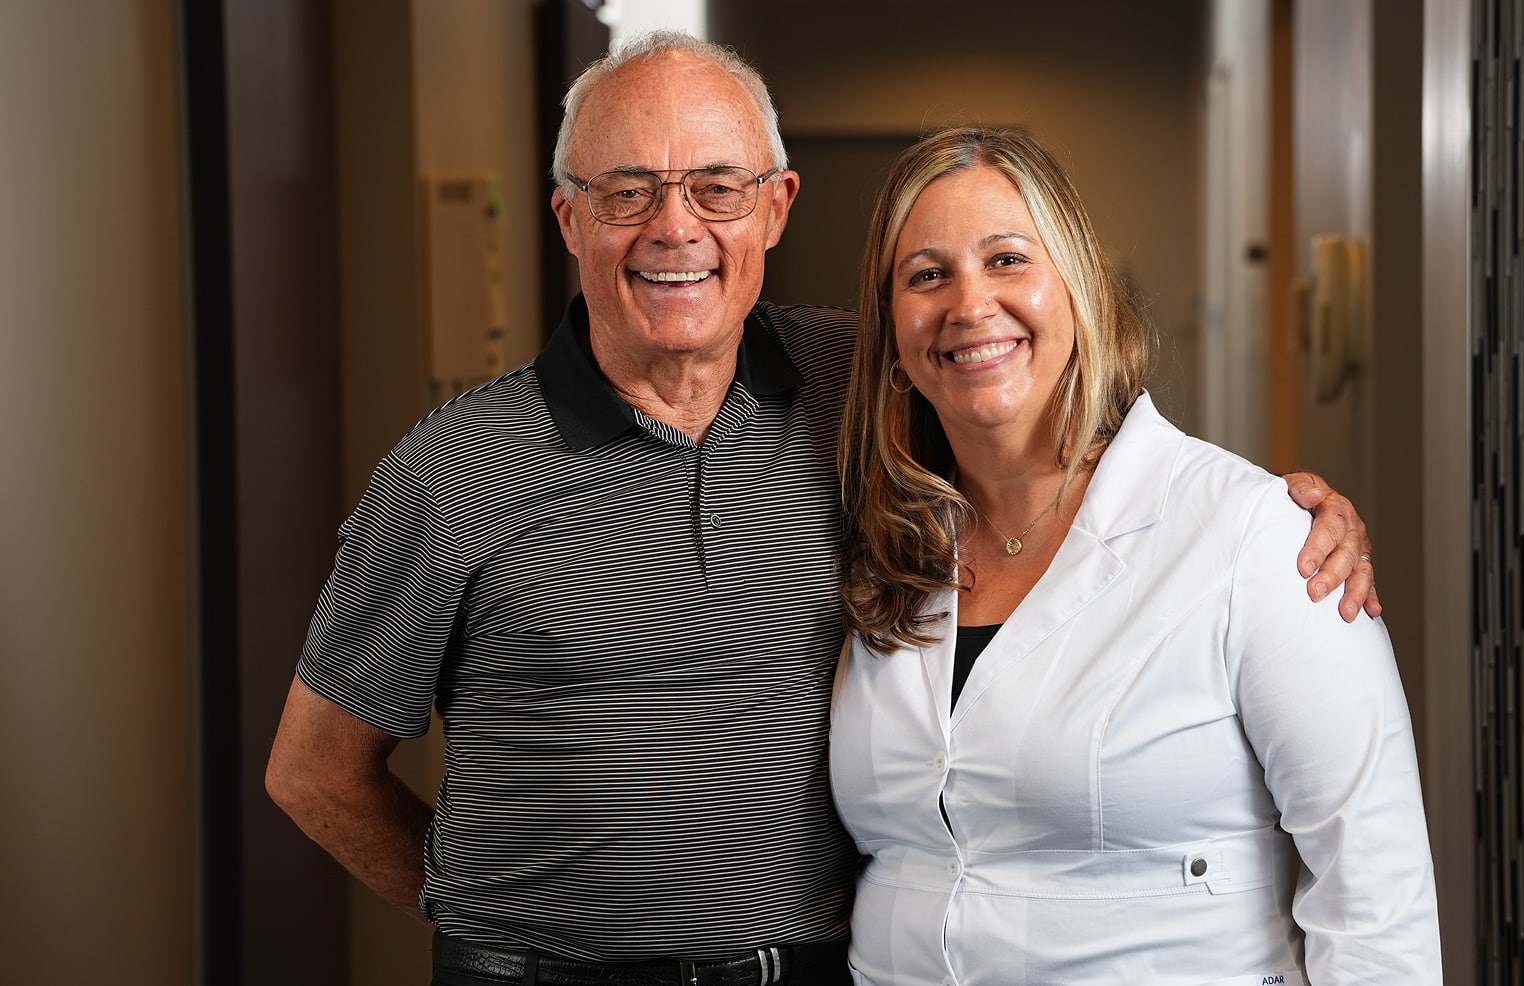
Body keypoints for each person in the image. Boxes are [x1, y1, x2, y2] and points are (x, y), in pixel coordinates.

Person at [266, 32, 1382, 986]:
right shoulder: (451, 470)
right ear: (568, 218)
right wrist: (497, 924)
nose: (675, 228)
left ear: (774, 207)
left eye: (716, 185)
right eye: (626, 191)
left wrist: (1278, 511)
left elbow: (1050, 422)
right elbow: (313, 770)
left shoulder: (864, 387)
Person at [831, 127, 1438, 985]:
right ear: (891, 328)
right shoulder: (888, 548)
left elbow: (1375, 896)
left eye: (1008, 259)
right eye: (926, 275)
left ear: (1076, 285)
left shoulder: (1254, 540)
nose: (968, 304)